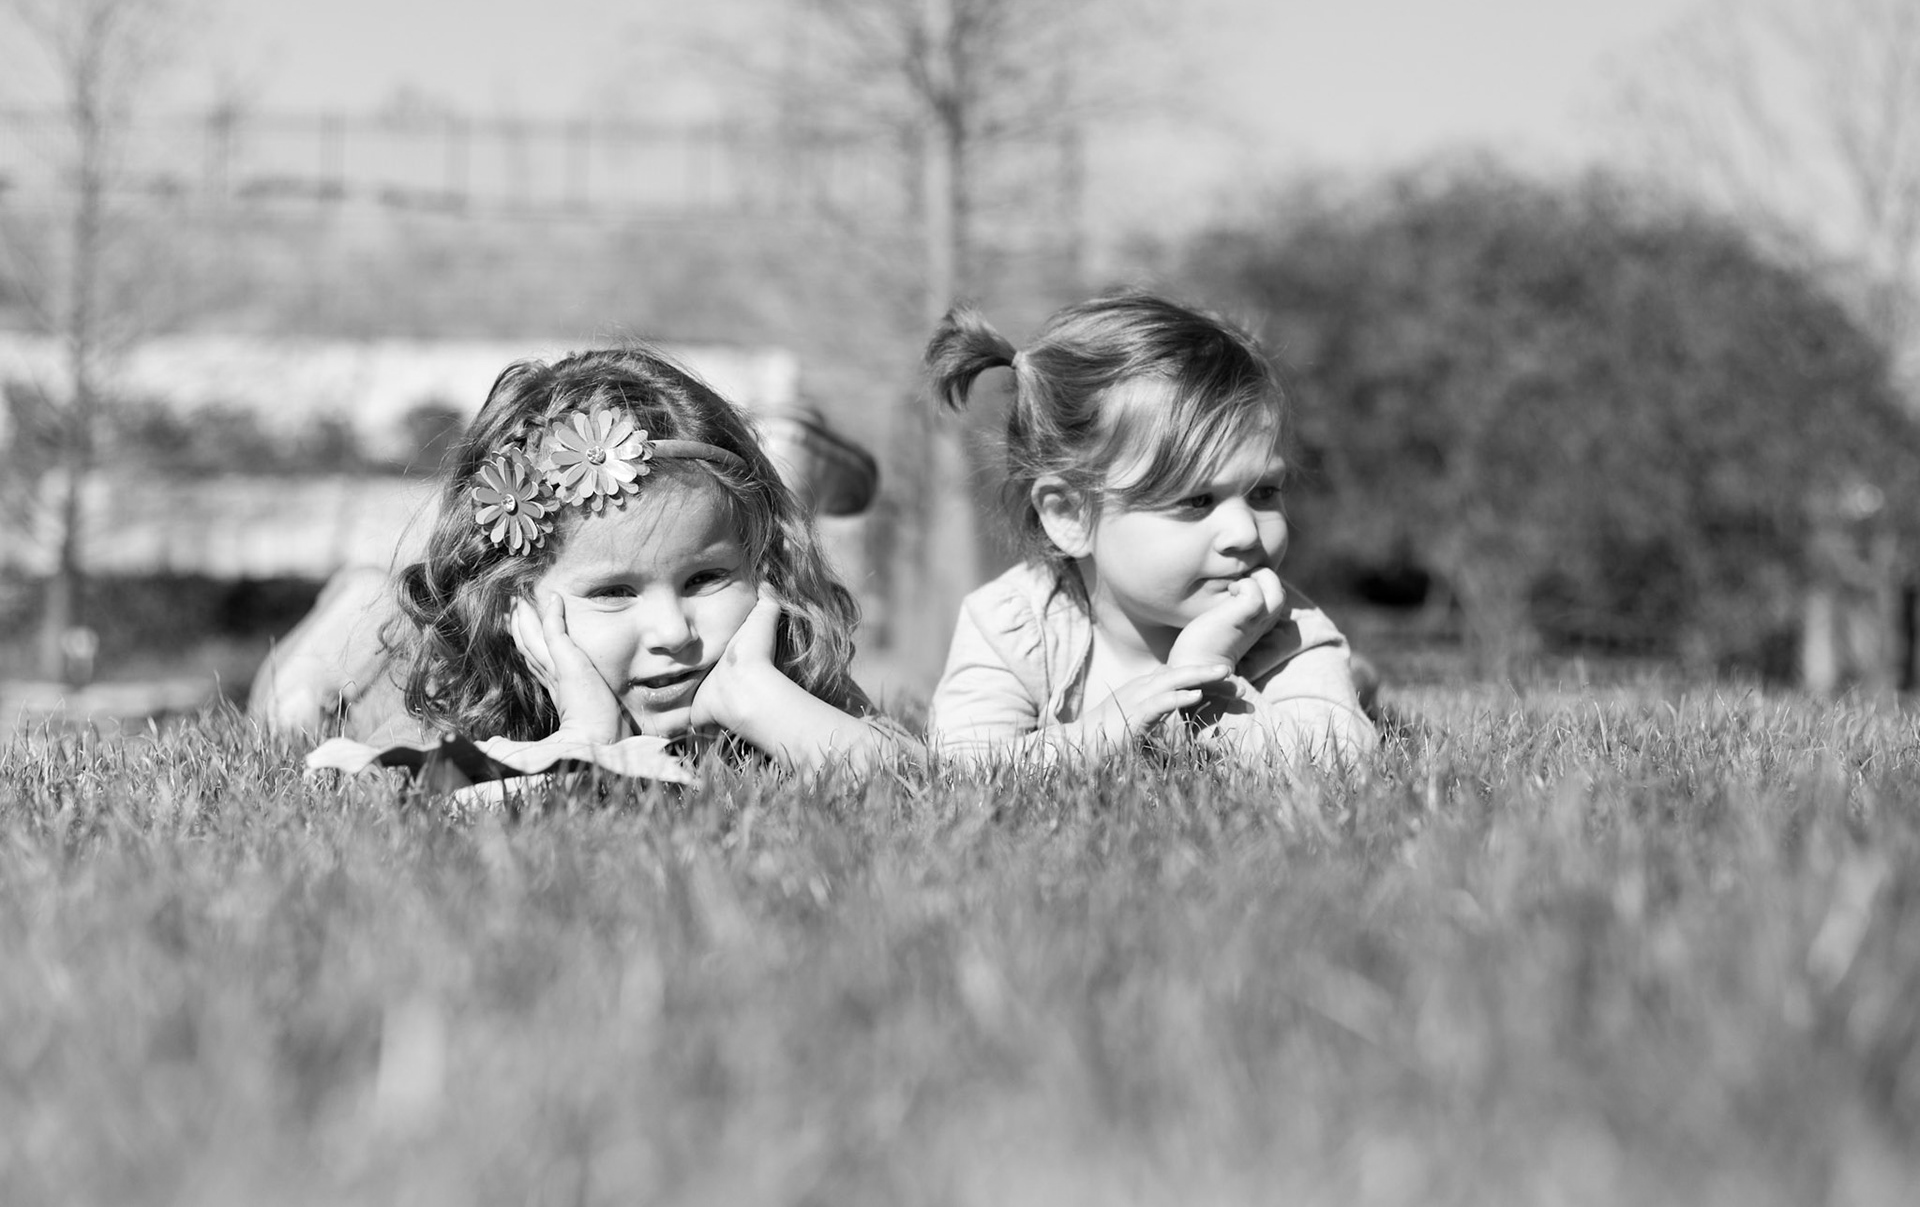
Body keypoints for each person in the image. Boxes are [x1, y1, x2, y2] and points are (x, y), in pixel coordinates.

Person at [304, 344, 911, 787]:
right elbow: (435, 809)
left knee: (747, 510)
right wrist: (587, 738)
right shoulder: (443, 675)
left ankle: (784, 469)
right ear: (515, 608)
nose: (675, 634)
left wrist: (761, 698)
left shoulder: (766, 646)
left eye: (705, 579)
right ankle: (356, 593)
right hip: (363, 656)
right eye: (615, 592)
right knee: (293, 699)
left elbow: (916, 781)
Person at [923, 292, 1375, 767]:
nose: (1244, 532)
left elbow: (1341, 765)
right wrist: (1093, 737)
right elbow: (960, 769)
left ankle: (1356, 680)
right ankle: (1360, 677)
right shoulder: (1014, 628)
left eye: (1264, 491)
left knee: (1339, 694)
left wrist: (1207, 680)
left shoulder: (1283, 628)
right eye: (1197, 500)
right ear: (1069, 516)